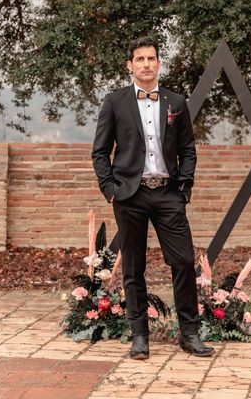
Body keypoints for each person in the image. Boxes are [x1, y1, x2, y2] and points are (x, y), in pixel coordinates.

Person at [92, 36, 214, 359]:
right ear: (130, 65)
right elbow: (100, 152)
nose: (146, 64)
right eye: (140, 59)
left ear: (159, 63)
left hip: (168, 195)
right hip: (129, 196)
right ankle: (139, 337)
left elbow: (188, 149)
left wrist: (184, 187)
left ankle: (189, 334)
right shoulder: (115, 102)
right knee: (134, 267)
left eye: (152, 58)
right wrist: (110, 191)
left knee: (184, 261)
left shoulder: (176, 102)